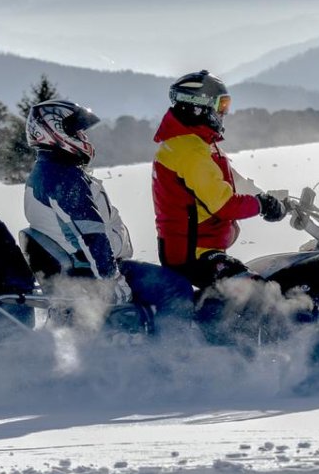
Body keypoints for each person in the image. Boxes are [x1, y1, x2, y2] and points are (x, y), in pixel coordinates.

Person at [23, 100, 195, 329]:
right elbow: (90, 234)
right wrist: (110, 280)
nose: (83, 136)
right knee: (175, 287)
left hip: (84, 272)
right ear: (53, 129)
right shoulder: (62, 176)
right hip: (93, 274)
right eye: (76, 129)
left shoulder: (51, 171)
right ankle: (178, 354)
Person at [151, 69, 287, 290]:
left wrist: (270, 200)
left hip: (199, 250)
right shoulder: (188, 152)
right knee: (261, 295)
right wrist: (261, 205)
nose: (224, 112)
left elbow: (229, 182)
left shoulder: (196, 144)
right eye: (221, 105)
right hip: (194, 255)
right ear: (197, 106)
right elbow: (224, 205)